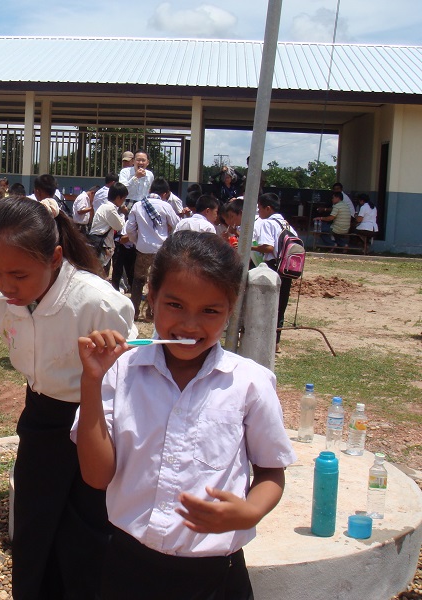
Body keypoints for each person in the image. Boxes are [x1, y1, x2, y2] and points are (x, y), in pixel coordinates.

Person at [73, 230, 296, 600]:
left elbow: (272, 470)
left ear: (230, 310)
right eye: (175, 305)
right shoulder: (121, 371)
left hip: (214, 576)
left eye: (210, 311)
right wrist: (91, 383)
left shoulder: (250, 384)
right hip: (128, 566)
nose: (191, 326)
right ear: (151, 299)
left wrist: (249, 512)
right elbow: (96, 477)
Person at [0, 196, 136, 600]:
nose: (7, 285)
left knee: (87, 532)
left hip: (94, 420)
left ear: (55, 257)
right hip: (40, 419)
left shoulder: (97, 302)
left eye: (20, 275)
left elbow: (127, 382)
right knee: (34, 526)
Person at [124, 182, 180, 321]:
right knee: (156, 282)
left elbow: (130, 228)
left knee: (138, 281)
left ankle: (134, 311)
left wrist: (137, 241)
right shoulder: (166, 206)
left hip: (142, 249)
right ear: (165, 194)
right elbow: (177, 225)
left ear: (150, 190)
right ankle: (151, 312)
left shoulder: (138, 205)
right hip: (161, 250)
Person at [253, 193, 297, 353]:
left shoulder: (268, 223)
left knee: (266, 304)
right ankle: (276, 343)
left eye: (260, 208)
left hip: (273, 267)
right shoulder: (287, 224)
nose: (259, 212)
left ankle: (263, 341)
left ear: (268, 208)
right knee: (281, 306)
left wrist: (249, 247)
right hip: (288, 269)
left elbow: (268, 247)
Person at [88, 182, 127, 272]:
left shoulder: (104, 206)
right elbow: (119, 226)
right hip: (102, 245)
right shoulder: (110, 208)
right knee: (100, 273)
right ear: (118, 197)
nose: (123, 202)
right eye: (123, 199)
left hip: (98, 243)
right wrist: (123, 213)